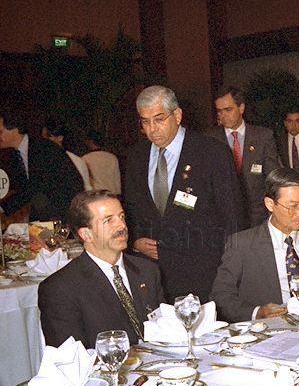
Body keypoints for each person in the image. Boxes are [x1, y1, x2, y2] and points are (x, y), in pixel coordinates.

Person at [123, 85, 243, 301]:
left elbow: (232, 217)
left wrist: (230, 274)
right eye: (145, 121)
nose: (152, 129)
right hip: (152, 276)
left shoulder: (211, 153)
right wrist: (135, 240)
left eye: (159, 119)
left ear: (177, 115)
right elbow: (130, 209)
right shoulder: (136, 157)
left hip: (202, 273)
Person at [38, 190, 164, 348]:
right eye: (108, 220)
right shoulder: (60, 289)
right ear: (86, 234)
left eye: (122, 216)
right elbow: (71, 358)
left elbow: (164, 330)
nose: (122, 225)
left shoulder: (147, 271)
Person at [210, 168, 299, 322]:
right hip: (267, 332)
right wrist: (257, 312)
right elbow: (221, 296)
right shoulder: (242, 244)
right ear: (270, 204)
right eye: (292, 206)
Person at [208, 86, 279, 226]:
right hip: (224, 219)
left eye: (228, 110)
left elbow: (273, 177)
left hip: (258, 217)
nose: (223, 115)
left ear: (241, 108)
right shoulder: (210, 139)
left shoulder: (263, 136)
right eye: (219, 111)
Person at [0, 108, 83, 221]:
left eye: (0, 131)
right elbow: (26, 189)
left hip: (62, 215)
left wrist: (3, 207)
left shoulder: (43, 148)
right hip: (43, 214)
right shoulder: (16, 155)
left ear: (15, 129)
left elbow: (36, 186)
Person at [42, 120, 92, 191]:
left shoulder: (75, 161)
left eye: (49, 137)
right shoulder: (40, 159)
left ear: (60, 138)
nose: (44, 141)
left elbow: (86, 189)